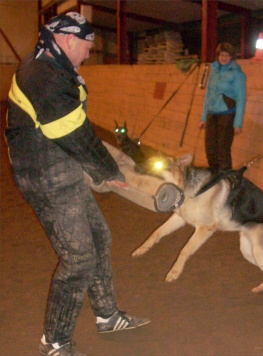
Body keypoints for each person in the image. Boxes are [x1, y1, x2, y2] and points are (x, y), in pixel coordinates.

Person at [5, 13, 150, 356]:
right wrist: (107, 170)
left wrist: (101, 164)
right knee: (80, 259)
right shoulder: (44, 76)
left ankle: (107, 316)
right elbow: (74, 133)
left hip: (60, 166)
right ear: (70, 40)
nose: (88, 54)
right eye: (87, 46)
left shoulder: (50, 64)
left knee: (99, 238)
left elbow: (73, 129)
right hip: (45, 176)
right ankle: (54, 343)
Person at [198, 42, 247, 175]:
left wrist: (237, 123)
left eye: (227, 55)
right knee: (210, 148)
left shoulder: (237, 74)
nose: (223, 57)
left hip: (227, 115)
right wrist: (203, 118)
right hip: (212, 114)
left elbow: (241, 99)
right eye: (221, 54)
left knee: (223, 149)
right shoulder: (214, 72)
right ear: (217, 56)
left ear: (232, 57)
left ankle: (226, 178)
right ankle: (214, 175)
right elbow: (208, 95)